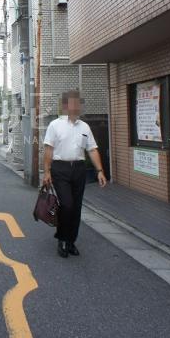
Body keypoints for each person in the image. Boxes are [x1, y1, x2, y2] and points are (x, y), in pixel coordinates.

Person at [42, 90, 107, 258]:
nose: (77, 106)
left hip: (79, 169)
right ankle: (62, 239)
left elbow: (92, 149)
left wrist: (99, 171)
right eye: (74, 103)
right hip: (60, 168)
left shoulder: (84, 127)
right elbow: (48, 149)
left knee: (76, 207)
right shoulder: (55, 125)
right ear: (65, 105)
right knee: (67, 204)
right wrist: (47, 171)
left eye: (79, 103)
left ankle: (71, 241)